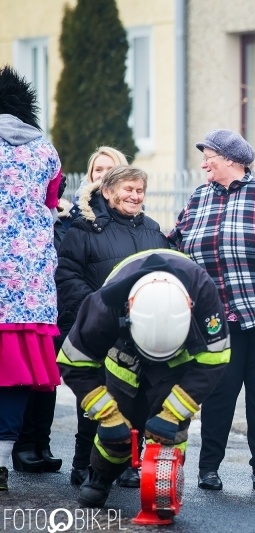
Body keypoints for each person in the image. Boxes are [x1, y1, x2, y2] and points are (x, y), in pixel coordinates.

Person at [169, 129, 255, 493]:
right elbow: (176, 246)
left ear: (231, 159)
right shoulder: (200, 197)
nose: (204, 163)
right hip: (217, 316)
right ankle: (208, 468)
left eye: (209, 156)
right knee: (220, 390)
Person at [57, 250, 231, 507]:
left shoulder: (202, 291)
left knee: (168, 433)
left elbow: (215, 357)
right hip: (125, 358)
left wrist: (172, 413)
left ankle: (166, 485)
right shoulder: (106, 304)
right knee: (116, 435)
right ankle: (100, 477)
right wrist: (107, 414)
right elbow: (75, 361)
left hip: (177, 364)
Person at [56, 165, 170, 487]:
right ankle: (84, 463)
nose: (135, 196)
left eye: (139, 190)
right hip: (101, 329)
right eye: (128, 189)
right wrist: (98, 310)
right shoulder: (85, 230)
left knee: (137, 401)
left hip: (140, 333)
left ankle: (132, 462)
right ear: (107, 192)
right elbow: (67, 276)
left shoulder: (153, 231)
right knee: (96, 402)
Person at [0, 66, 62, 492]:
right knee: (15, 374)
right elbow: (51, 203)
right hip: (29, 287)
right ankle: (1, 462)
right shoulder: (46, 152)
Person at [11, 173, 69, 476]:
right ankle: (23, 445)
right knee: (26, 376)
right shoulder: (21, 218)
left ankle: (42, 444)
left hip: (55, 308)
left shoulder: (66, 222)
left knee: (48, 380)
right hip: (31, 308)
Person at [69, 146, 129, 220]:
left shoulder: (135, 212)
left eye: (111, 170)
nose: (104, 175)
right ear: (91, 175)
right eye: (98, 170)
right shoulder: (76, 213)